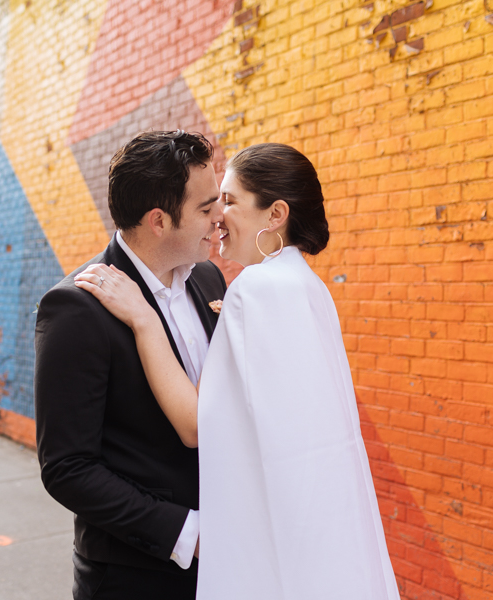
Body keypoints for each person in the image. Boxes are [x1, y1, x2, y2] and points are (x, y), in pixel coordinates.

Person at [75, 143, 401, 599]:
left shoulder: (254, 290)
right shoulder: (308, 287)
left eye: (228, 201)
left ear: (275, 214)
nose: (217, 217)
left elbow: (194, 425)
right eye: (212, 203)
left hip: (268, 535)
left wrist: (143, 318)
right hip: (320, 528)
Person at [34, 130, 227, 600]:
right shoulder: (75, 310)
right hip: (137, 576)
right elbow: (67, 467)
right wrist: (188, 534)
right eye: (206, 208)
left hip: (228, 562)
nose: (219, 218)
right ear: (159, 221)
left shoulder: (208, 276)